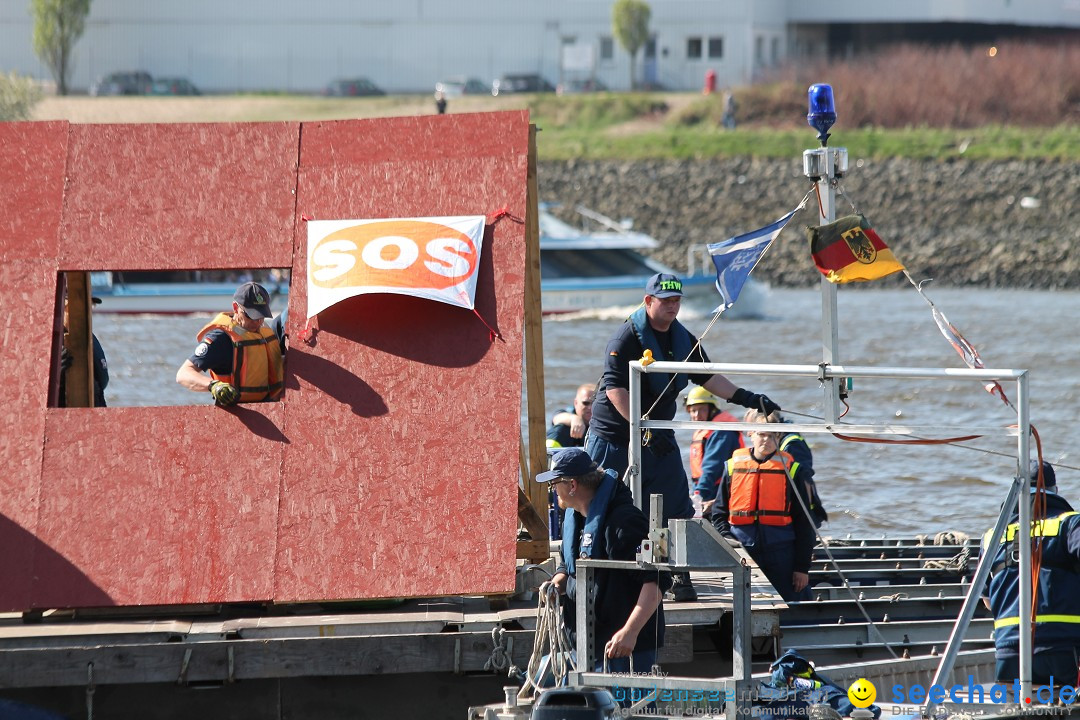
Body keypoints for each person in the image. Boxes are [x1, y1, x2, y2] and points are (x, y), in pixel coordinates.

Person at [586, 272, 780, 602]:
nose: (672, 306)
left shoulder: (682, 338)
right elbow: (616, 389)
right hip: (615, 436)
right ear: (648, 301)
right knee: (603, 504)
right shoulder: (625, 338)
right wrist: (642, 426)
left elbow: (707, 376)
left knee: (672, 505)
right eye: (665, 300)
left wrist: (747, 397)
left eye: (677, 300)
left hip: (658, 436)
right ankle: (598, 573)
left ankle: (670, 571)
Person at [543, 448, 671, 673]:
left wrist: (630, 632)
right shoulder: (576, 519)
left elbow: (657, 580)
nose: (552, 490)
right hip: (584, 646)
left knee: (625, 708)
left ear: (572, 485)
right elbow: (567, 564)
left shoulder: (624, 522)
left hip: (623, 649)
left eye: (554, 483)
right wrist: (557, 583)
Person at [982, 461, 1080, 687]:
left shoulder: (993, 537)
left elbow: (987, 601)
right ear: (1055, 491)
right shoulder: (1070, 525)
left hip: (1008, 653)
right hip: (1062, 650)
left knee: (1018, 706)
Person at [709, 412, 815, 602]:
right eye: (762, 434)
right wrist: (729, 541)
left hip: (782, 551)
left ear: (779, 437)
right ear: (751, 434)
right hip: (744, 549)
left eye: (772, 435)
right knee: (743, 603)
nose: (766, 440)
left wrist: (801, 568)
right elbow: (719, 513)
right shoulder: (733, 467)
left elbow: (805, 521)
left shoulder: (793, 470)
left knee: (796, 599)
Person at [176, 282, 284, 406]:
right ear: (236, 308)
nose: (258, 322)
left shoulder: (265, 332)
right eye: (251, 315)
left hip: (269, 409)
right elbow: (183, 374)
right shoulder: (221, 339)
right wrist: (213, 386)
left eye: (261, 315)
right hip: (235, 414)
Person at [746, 409, 828, 528]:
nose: (748, 433)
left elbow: (805, 481)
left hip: (800, 515)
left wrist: (805, 522)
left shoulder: (792, 445)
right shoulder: (769, 445)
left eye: (750, 428)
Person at [685, 386, 744, 515]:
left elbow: (712, 468)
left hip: (719, 491)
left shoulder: (721, 431)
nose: (696, 415)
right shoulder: (706, 430)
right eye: (693, 410)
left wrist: (699, 496)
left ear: (711, 409)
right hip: (707, 490)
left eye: (701, 410)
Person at [547, 383, 596, 449]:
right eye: (586, 403)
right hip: (564, 454)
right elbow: (556, 418)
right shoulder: (567, 415)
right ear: (576, 403)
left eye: (594, 403)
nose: (590, 407)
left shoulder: (606, 420)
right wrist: (574, 419)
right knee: (560, 429)